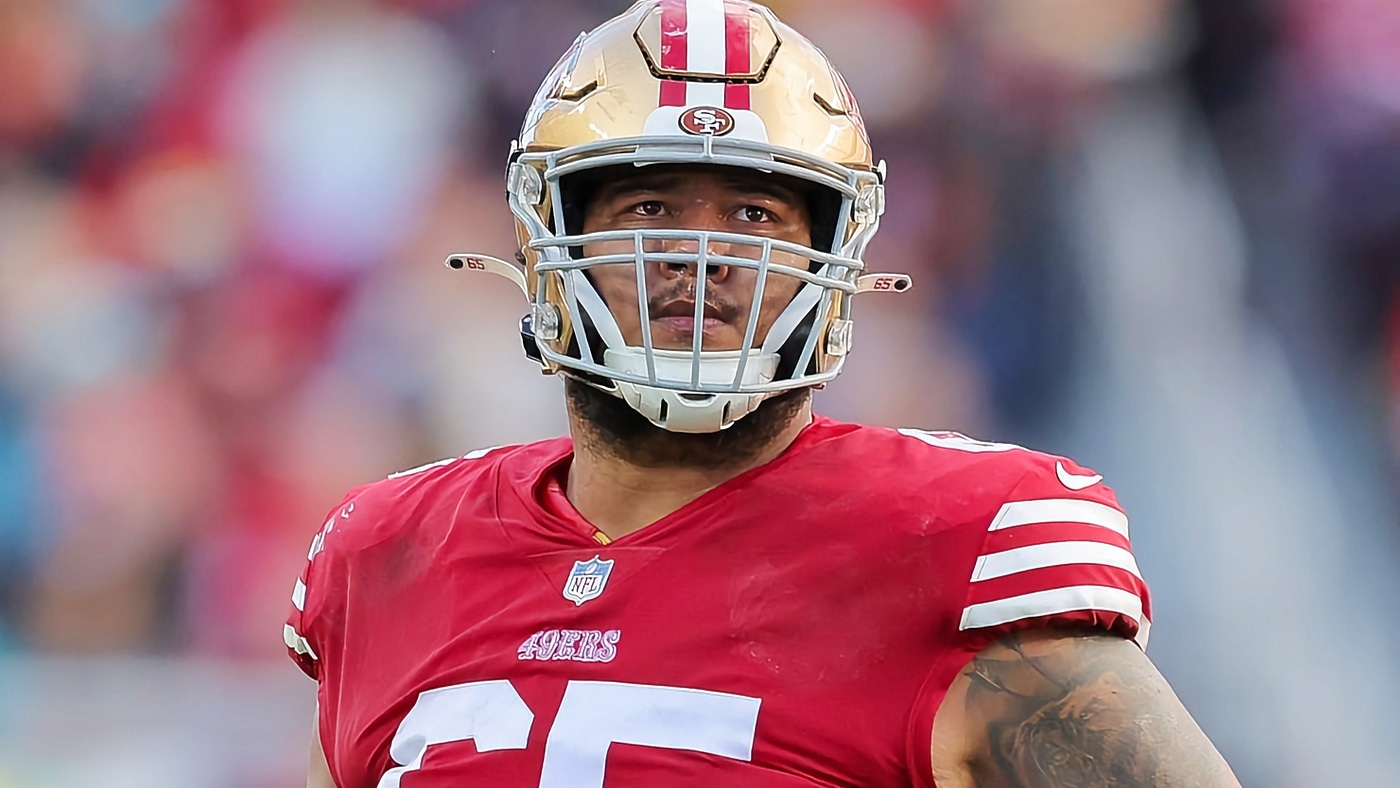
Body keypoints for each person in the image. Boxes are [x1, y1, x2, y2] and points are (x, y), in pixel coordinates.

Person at [285, 1, 1242, 785]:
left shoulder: (953, 543)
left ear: (834, 262)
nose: (703, 263)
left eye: (755, 214)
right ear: (547, 245)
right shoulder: (390, 554)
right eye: (648, 207)